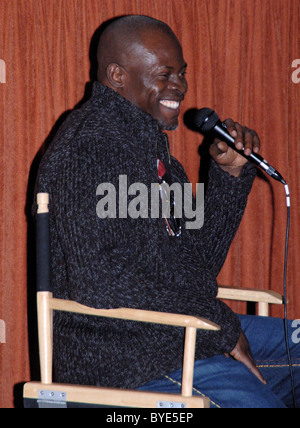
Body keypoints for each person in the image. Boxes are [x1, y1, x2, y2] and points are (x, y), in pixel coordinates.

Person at [35, 15, 299, 408]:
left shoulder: (154, 154)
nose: (180, 86)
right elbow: (99, 281)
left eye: (182, 73)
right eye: (164, 74)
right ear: (117, 75)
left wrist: (228, 175)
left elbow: (197, 268)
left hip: (178, 336)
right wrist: (220, 324)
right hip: (124, 360)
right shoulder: (90, 147)